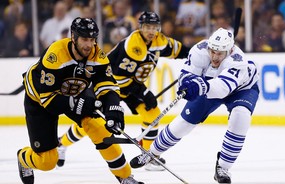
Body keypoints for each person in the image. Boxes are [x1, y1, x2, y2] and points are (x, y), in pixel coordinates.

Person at [17, 17, 147, 184]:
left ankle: (125, 177)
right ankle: (24, 157)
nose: (89, 44)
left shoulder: (97, 55)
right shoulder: (56, 54)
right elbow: (49, 101)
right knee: (47, 162)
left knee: (98, 128)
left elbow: (107, 87)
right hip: (40, 100)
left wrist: (114, 109)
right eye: (85, 39)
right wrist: (83, 104)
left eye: (93, 39)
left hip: (72, 91)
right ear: (73, 37)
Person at [130, 27, 259, 184]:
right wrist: (187, 85)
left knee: (240, 117)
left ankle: (223, 168)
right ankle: (151, 153)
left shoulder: (237, 61)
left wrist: (199, 86)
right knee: (183, 124)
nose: (214, 56)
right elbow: (187, 74)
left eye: (220, 53)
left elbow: (222, 88)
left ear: (230, 49)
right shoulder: (200, 50)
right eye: (212, 51)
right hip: (209, 86)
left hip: (242, 89)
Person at [57, 11, 189, 171]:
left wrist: (199, 56)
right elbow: (120, 77)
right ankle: (61, 144)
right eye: (147, 27)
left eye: (154, 27)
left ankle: (148, 155)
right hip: (108, 84)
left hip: (130, 86)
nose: (151, 31)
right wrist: (143, 93)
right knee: (91, 122)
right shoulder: (133, 46)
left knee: (152, 113)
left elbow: (180, 50)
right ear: (140, 27)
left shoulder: (159, 41)